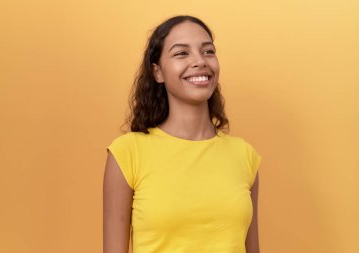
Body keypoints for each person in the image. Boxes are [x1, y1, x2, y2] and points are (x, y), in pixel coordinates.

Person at [103, 15, 262, 253]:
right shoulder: (127, 153)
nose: (199, 61)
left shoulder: (244, 155)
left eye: (208, 51)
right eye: (181, 53)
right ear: (158, 72)